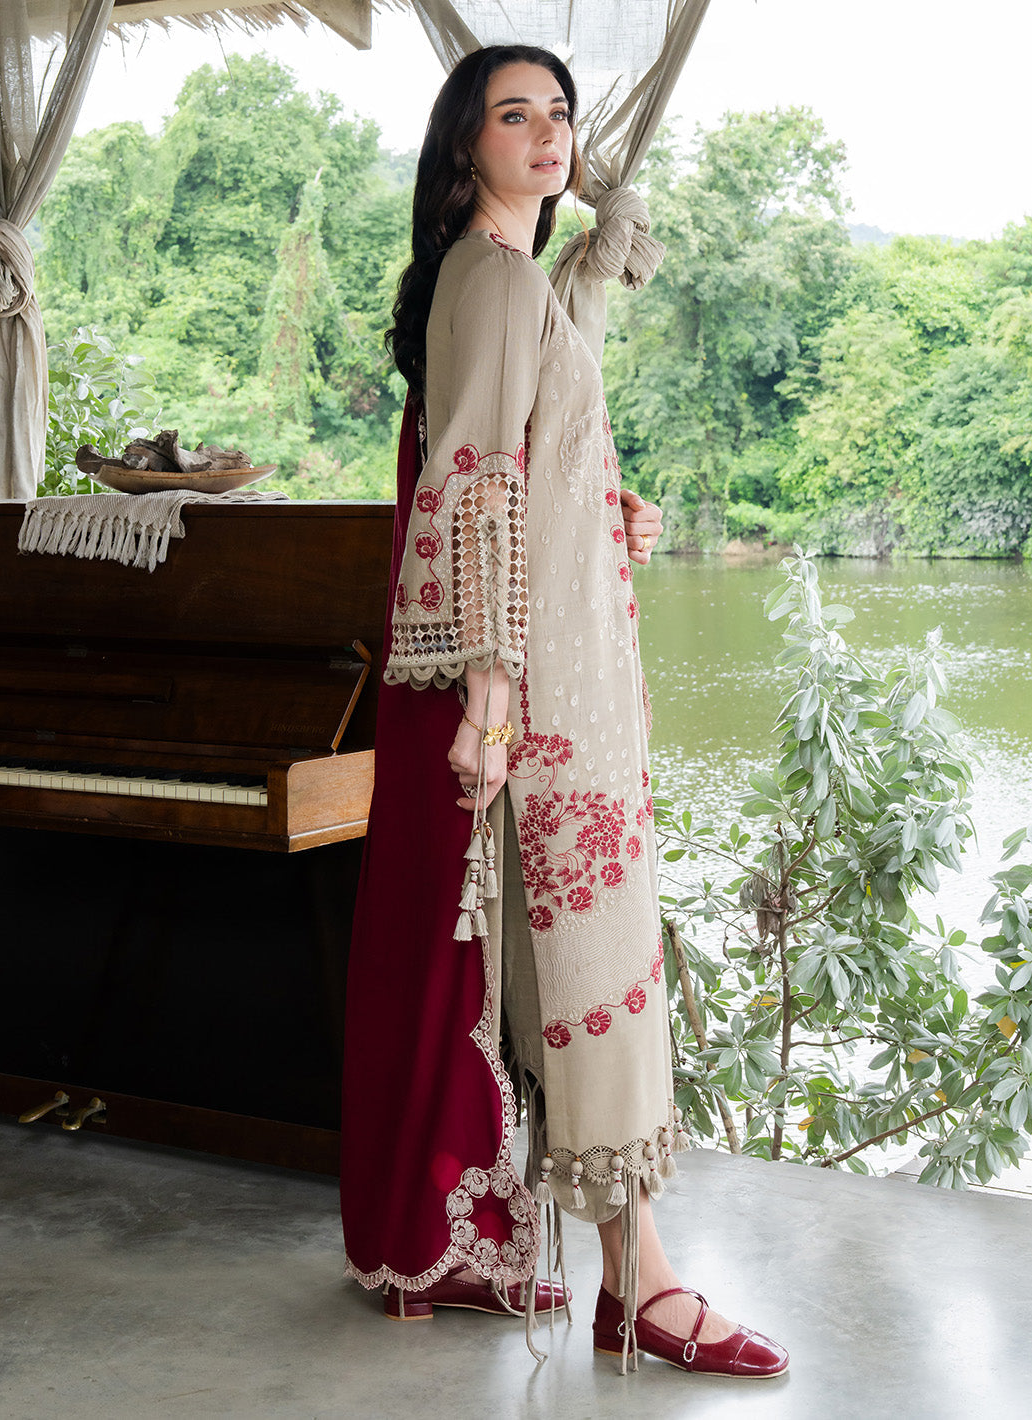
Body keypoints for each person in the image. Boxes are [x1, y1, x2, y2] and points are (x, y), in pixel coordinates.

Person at [340, 43, 788, 1380]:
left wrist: (609, 513)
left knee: (573, 963)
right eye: (513, 114)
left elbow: (534, 473)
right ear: (463, 144)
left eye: (560, 114)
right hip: (533, 697)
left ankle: (612, 1271)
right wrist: (487, 704)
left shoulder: (513, 279)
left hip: (566, 675)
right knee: (591, 963)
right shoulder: (490, 278)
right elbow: (471, 483)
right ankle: (639, 1283)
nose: (547, 135)